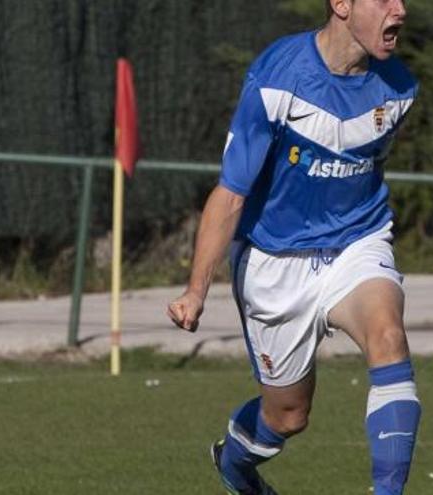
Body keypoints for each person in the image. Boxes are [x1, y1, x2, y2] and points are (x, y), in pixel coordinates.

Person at [167, 1, 419, 494]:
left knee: (388, 336)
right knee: (288, 416)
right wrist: (196, 290)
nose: (401, 10)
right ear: (341, 4)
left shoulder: (401, 87)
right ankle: (236, 463)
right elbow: (231, 193)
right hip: (274, 262)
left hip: (356, 242)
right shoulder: (277, 77)